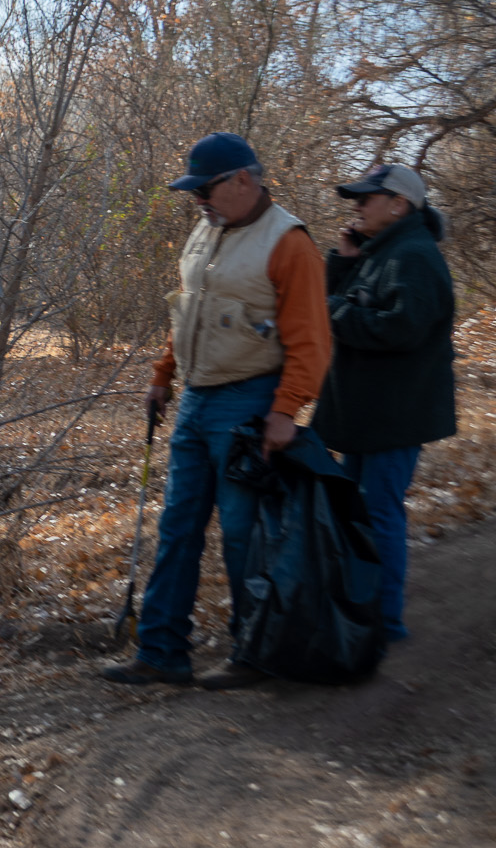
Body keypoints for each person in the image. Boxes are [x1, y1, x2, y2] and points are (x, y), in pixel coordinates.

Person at [101, 133, 331, 690]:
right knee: (178, 527)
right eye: (193, 191)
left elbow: (312, 343)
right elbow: (188, 314)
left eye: (205, 188)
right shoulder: (206, 229)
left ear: (243, 180)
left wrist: (285, 411)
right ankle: (161, 652)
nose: (197, 199)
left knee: (241, 531)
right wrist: (163, 375)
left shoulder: (290, 242)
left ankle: (253, 652)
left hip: (250, 401)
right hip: (197, 400)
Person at [311, 163, 456, 645]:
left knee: (379, 514)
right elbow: (354, 304)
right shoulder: (386, 251)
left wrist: (335, 308)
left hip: (393, 416)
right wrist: (346, 260)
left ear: (399, 205)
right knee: (358, 514)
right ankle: (361, 612)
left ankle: (385, 622)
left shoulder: (414, 255)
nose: (356, 205)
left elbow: (399, 328)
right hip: (367, 413)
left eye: (366, 198)